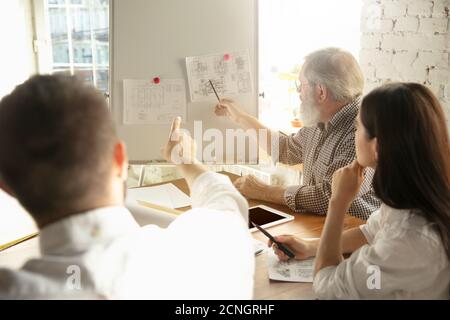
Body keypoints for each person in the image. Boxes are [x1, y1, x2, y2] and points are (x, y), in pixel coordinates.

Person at [0, 75, 254, 299]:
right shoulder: (210, 252)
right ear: (120, 159)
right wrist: (186, 162)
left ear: (6, 187)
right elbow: (227, 204)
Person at [270, 83, 450, 299]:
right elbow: (370, 232)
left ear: (377, 147)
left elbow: (326, 286)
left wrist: (337, 203)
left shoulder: (409, 240)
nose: (354, 135)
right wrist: (310, 247)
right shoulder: (414, 199)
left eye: (358, 127)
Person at [215, 47, 380, 220]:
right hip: (320, 226)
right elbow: (286, 149)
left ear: (321, 92)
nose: (298, 91)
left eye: (301, 85)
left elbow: (329, 197)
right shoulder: (320, 119)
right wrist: (240, 117)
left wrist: (264, 191)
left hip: (354, 235)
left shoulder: (361, 130)